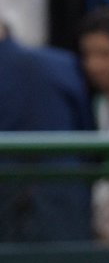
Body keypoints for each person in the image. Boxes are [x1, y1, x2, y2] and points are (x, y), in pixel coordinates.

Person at [0, 18, 93, 242]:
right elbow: (87, 135)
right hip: (65, 211)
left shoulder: (61, 63)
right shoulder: (63, 62)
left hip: (52, 211)